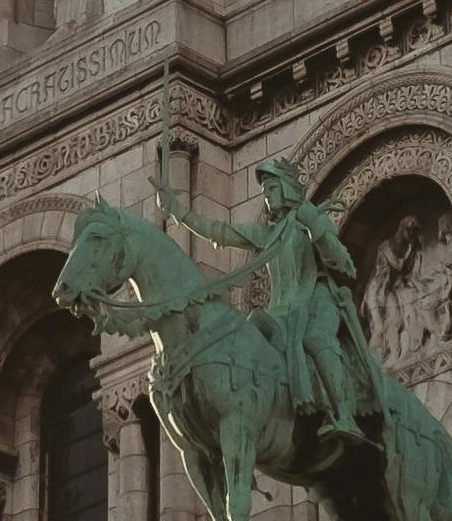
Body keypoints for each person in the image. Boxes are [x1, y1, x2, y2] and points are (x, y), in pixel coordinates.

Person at [159, 146, 376, 447]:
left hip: (319, 299)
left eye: (271, 188)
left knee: (315, 338)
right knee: (251, 329)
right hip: (282, 310)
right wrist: (178, 212)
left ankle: (344, 415)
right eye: (263, 191)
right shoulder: (267, 234)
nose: (267, 196)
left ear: (286, 189)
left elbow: (343, 264)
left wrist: (314, 224)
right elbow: (219, 231)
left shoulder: (311, 220)